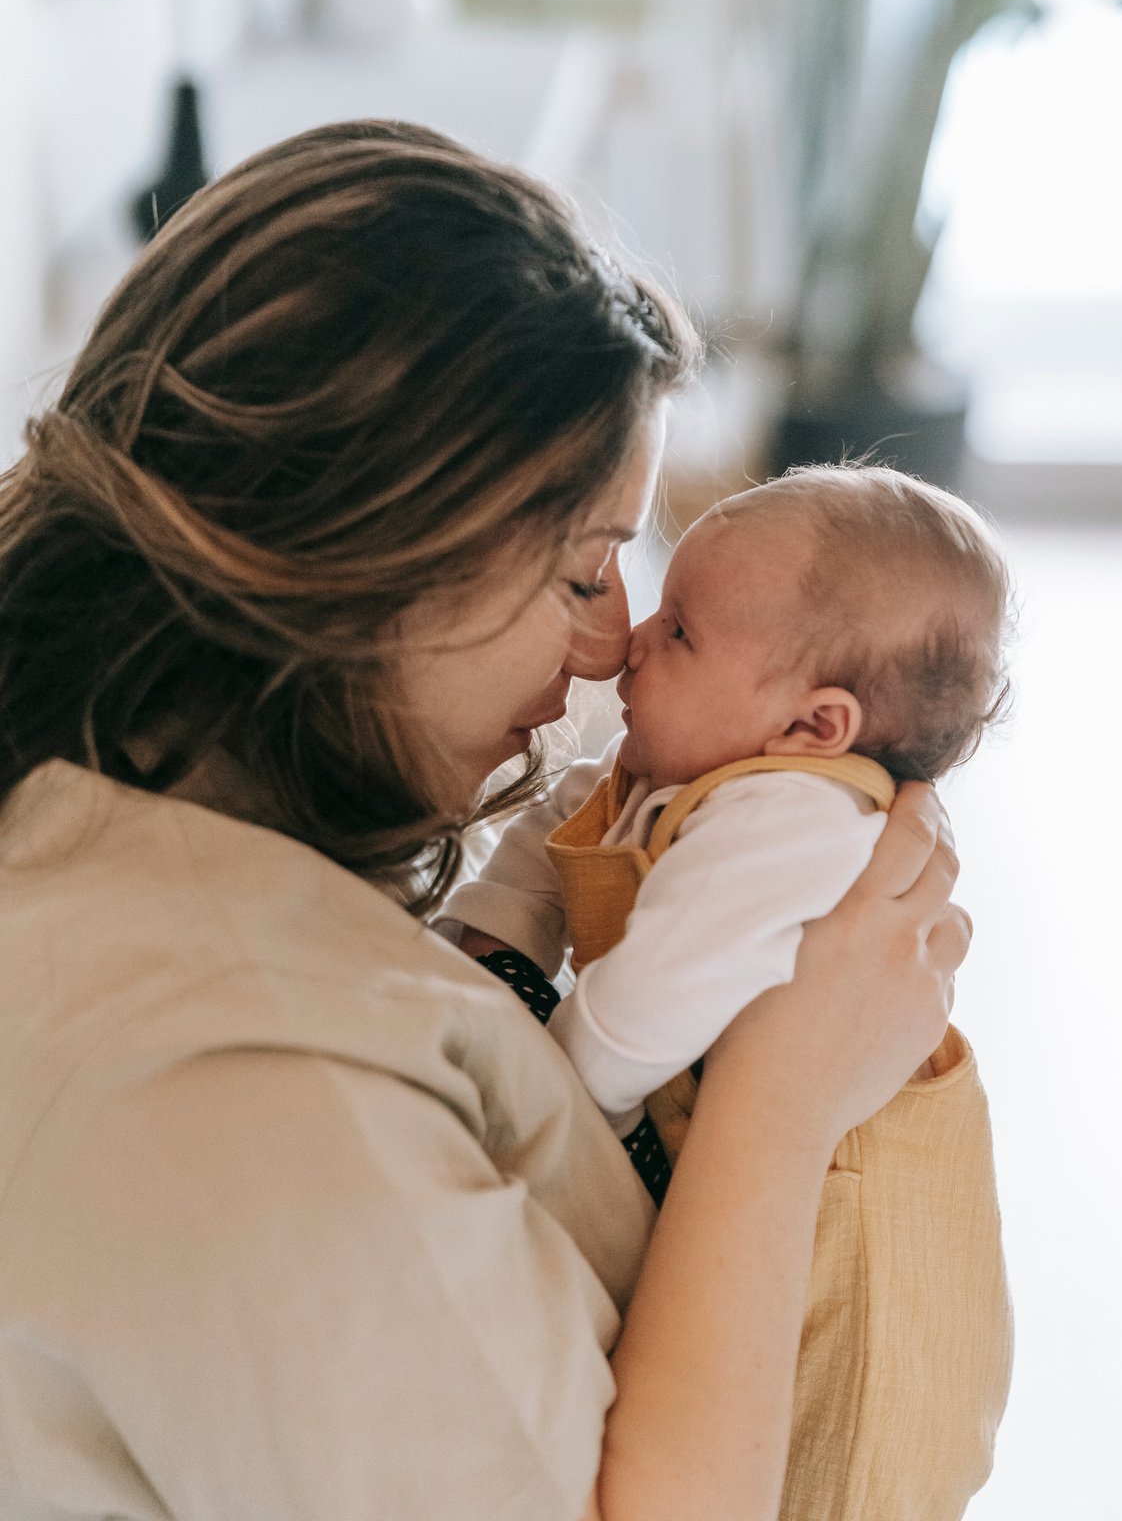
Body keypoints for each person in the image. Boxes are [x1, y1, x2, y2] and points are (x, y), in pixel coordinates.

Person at [0, 119, 968, 1521]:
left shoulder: (111, 810)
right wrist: (786, 1093)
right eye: (584, 572)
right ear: (367, 550)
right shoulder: (254, 1085)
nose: (610, 648)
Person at [439, 466, 1016, 1519]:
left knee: (816, 1469)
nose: (633, 639)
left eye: (682, 632)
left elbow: (630, 1026)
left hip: (856, 1277)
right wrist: (487, 936)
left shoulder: (792, 823)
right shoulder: (690, 770)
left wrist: (533, 1117)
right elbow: (567, 816)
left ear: (813, 727)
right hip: (760, 1196)